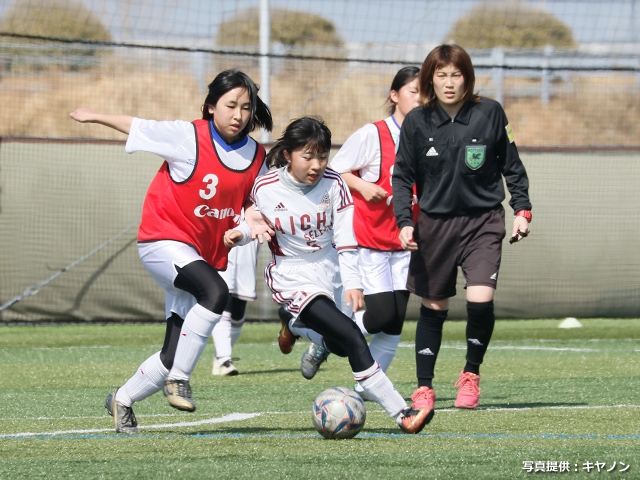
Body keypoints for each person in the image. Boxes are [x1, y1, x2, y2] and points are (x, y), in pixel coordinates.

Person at [69, 69, 273, 433]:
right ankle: (179, 379)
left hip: (200, 256)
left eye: (246, 107)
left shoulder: (256, 156)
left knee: (170, 352)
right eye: (230, 105)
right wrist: (95, 116)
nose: (239, 115)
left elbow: (252, 209)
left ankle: (123, 399)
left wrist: (247, 227)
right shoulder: (187, 136)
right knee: (217, 292)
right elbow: (139, 125)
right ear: (211, 106)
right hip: (162, 241)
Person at [224, 116, 432, 434]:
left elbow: (347, 240)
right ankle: (402, 413)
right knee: (352, 335)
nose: (317, 164)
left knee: (339, 343)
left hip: (331, 268)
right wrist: (241, 233)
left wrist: (352, 283)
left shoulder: (335, 184)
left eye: (322, 156)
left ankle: (294, 325)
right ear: (288, 155)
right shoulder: (266, 187)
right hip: (292, 275)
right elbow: (251, 219)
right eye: (308, 156)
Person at [392, 44, 532, 421]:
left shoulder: (490, 113)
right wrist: (404, 220)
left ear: (467, 78)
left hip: (483, 221)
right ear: (430, 80)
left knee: (480, 300)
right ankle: (424, 385)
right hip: (434, 226)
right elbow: (402, 177)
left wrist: (521, 209)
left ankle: (470, 374)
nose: (449, 83)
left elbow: (512, 166)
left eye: (456, 75)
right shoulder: (417, 122)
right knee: (433, 306)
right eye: (441, 76)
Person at [324, 66, 421, 396]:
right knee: (379, 317)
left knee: (394, 323)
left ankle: (362, 393)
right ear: (394, 96)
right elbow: (335, 170)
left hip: (406, 242)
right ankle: (328, 338)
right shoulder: (373, 134)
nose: (421, 98)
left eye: (426, 93)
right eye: (414, 91)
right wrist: (362, 185)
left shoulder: (431, 137)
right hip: (370, 239)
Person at [210, 236, 260, 376]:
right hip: (224, 243)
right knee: (224, 303)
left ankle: (220, 354)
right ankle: (224, 360)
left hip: (247, 246)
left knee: (238, 312)